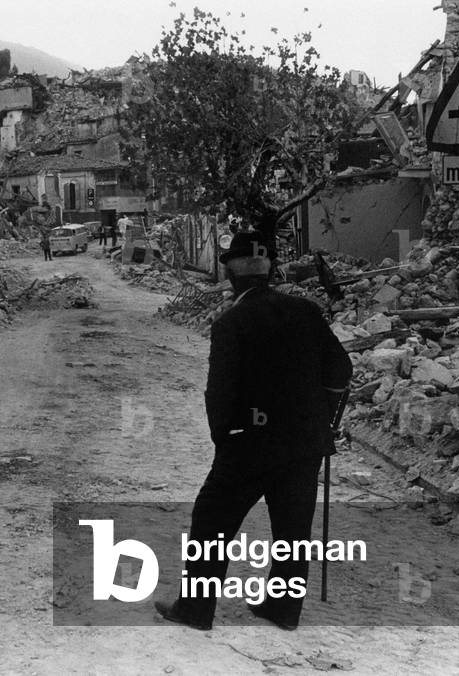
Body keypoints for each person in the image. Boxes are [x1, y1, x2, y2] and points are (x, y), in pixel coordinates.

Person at [154, 231, 352, 632]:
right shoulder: (306, 312)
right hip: (303, 443)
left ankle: (196, 610)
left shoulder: (231, 322)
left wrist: (224, 438)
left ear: (231, 275)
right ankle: (282, 609)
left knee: (212, 522)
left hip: (249, 442)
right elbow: (341, 372)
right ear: (270, 271)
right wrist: (322, 419)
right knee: (292, 529)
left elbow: (220, 393)